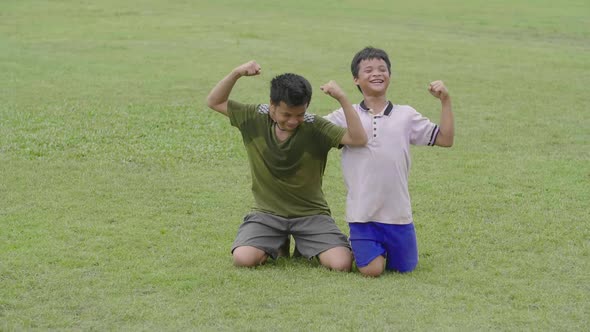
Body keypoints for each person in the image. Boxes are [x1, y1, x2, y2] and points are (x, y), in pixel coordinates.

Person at [205, 60, 367, 271]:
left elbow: (358, 139)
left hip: (311, 215)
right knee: (243, 259)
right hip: (267, 214)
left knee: (341, 263)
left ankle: (304, 245)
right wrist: (236, 72)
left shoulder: (314, 126)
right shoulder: (254, 117)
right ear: (272, 105)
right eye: (286, 115)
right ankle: (276, 244)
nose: (293, 121)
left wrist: (343, 98)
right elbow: (214, 101)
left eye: (299, 114)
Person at [324, 46, 455, 277]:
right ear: (356, 79)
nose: (377, 73)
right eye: (368, 70)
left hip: (398, 214)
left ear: (390, 76)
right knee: (372, 271)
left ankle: (372, 249)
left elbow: (445, 139)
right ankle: (355, 245)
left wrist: (445, 100)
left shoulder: (406, 115)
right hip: (362, 214)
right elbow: (311, 129)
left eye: (382, 69)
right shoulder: (345, 114)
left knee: (404, 268)